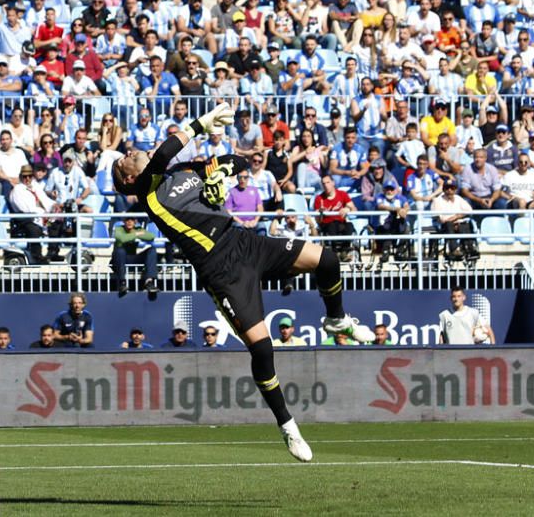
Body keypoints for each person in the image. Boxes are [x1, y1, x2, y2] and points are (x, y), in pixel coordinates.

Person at [112, 102, 373, 462]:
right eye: (125, 159)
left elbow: (234, 163)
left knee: (325, 259)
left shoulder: (184, 171)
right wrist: (200, 123)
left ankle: (337, 317)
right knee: (262, 350)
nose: (131, 152)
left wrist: (224, 177)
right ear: (128, 178)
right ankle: (287, 425)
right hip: (220, 269)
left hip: (245, 241)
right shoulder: (148, 189)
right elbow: (162, 155)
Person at [111, 215, 159, 299]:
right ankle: (122, 283)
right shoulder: (119, 229)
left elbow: (151, 237)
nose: (129, 222)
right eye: (127, 220)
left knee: (152, 250)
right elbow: (122, 238)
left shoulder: (138, 229)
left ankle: (149, 282)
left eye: (132, 220)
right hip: (119, 260)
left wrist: (135, 233)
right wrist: (136, 234)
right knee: (120, 250)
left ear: (135, 222)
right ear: (124, 222)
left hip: (132, 259)